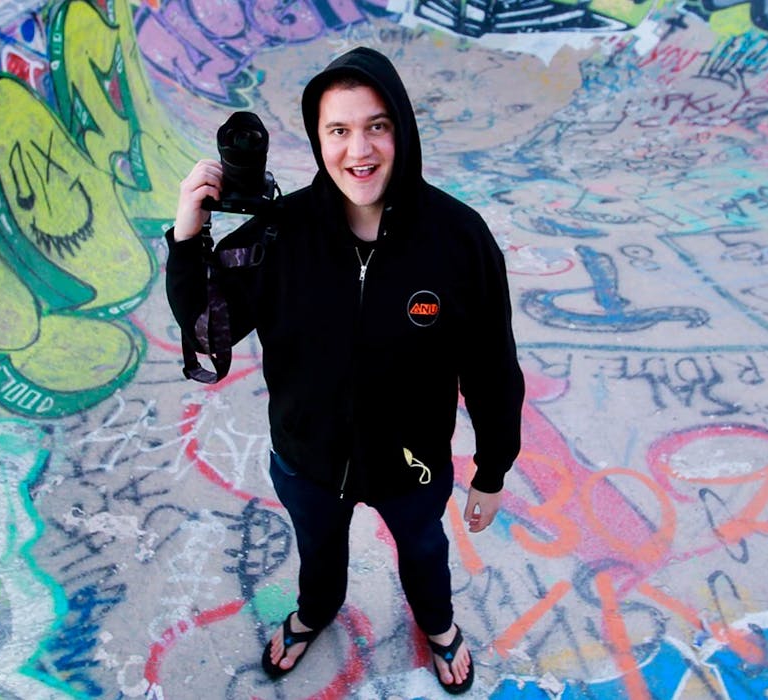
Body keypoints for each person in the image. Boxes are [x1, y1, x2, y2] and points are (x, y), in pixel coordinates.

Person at [165, 46, 524, 695]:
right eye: (339, 130)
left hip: (413, 465)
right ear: (318, 138)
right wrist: (189, 239)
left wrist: (493, 469)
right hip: (309, 460)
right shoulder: (279, 234)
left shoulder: (459, 238)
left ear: (402, 131)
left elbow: (494, 366)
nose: (359, 149)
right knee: (320, 556)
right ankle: (315, 612)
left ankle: (439, 627)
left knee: (423, 555)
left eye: (376, 125)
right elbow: (206, 332)